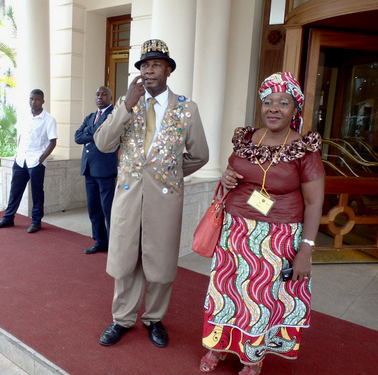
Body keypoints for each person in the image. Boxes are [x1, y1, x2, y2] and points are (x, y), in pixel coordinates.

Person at [199, 72, 325, 374]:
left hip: (277, 239)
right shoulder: (247, 138)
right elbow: (232, 170)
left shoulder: (303, 149)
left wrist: (305, 250)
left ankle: (252, 359)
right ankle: (218, 345)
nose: (273, 108)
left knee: (259, 301)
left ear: (295, 109)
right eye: (268, 102)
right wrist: (226, 177)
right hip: (235, 234)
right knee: (226, 294)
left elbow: (315, 202)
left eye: (283, 102)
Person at [94, 39, 209, 348]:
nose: (149, 70)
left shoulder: (187, 109)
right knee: (126, 257)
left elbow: (200, 155)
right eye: (144, 65)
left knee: (159, 259)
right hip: (129, 197)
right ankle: (122, 319)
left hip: (165, 199)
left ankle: (154, 318)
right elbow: (103, 143)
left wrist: (166, 176)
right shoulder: (126, 104)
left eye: (156, 64)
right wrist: (125, 106)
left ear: (168, 70)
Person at [0, 89, 57, 234]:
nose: (34, 102)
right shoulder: (24, 116)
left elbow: (53, 142)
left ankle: (36, 221)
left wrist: (42, 159)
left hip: (36, 161)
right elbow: (20, 136)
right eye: (31, 99)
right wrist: (18, 153)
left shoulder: (49, 119)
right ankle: (8, 218)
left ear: (43, 101)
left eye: (37, 99)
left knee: (37, 192)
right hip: (21, 160)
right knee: (15, 190)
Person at [74, 86, 118, 254]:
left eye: (104, 94)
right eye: (97, 94)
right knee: (93, 208)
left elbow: (106, 133)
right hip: (89, 168)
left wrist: (89, 130)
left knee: (109, 210)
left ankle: (115, 245)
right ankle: (100, 241)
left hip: (105, 169)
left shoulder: (112, 115)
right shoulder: (91, 116)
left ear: (110, 98)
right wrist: (94, 132)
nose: (100, 96)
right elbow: (77, 137)